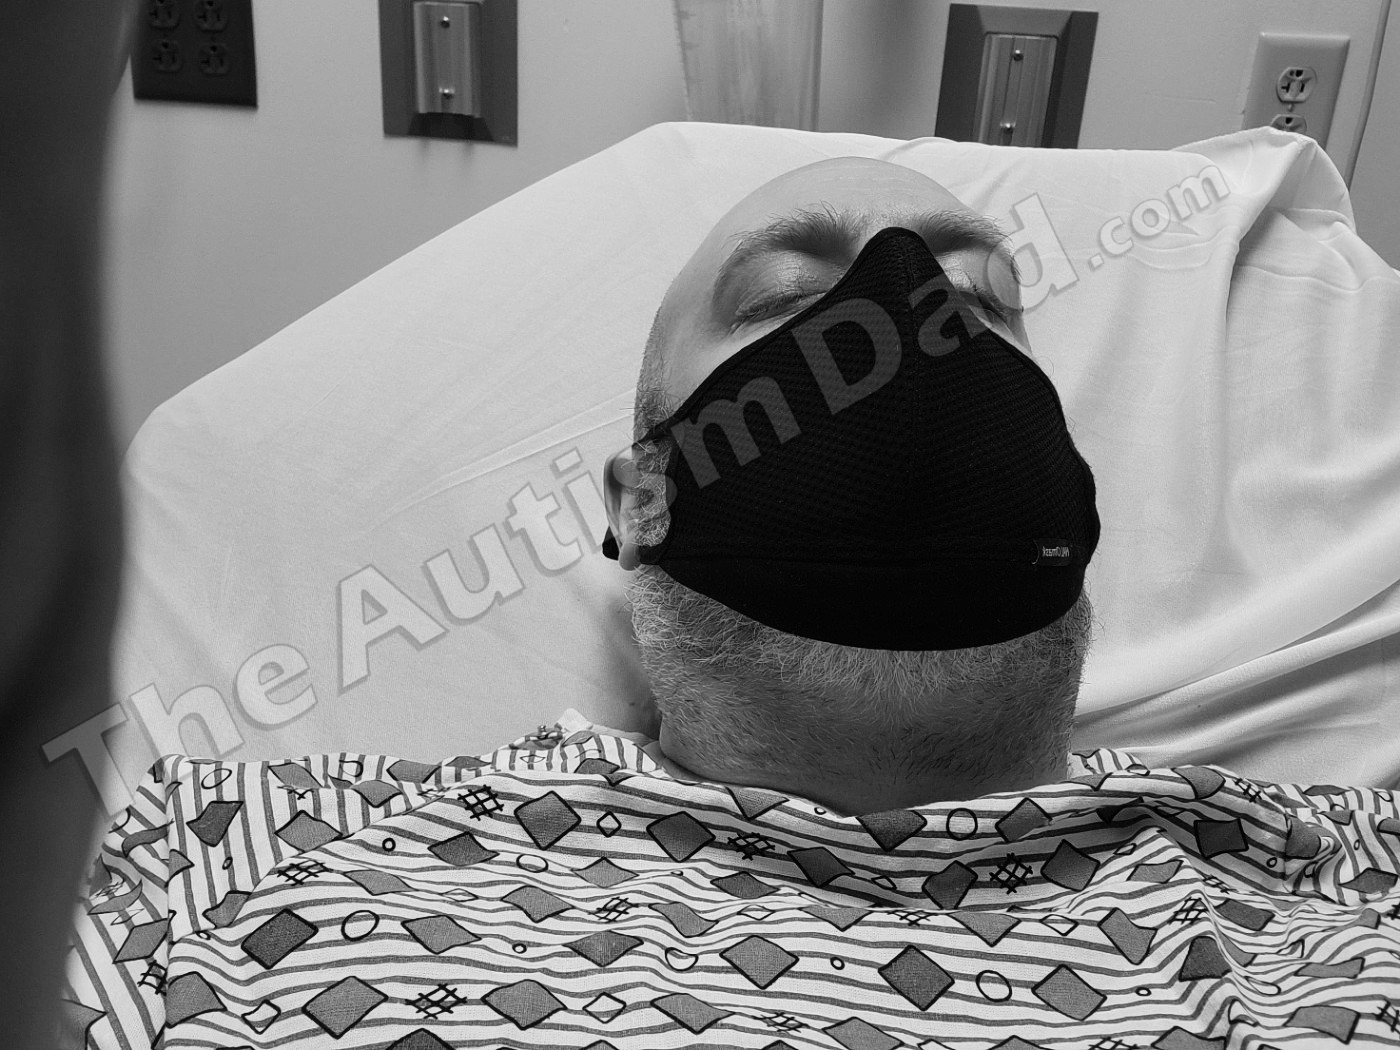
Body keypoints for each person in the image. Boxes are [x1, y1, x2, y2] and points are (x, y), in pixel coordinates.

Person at [63, 159, 1400, 1049]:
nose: (907, 323)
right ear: (641, 501)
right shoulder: (236, 859)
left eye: (978, 302)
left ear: (1064, 480)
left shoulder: (1340, 884)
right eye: (789, 299)